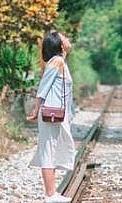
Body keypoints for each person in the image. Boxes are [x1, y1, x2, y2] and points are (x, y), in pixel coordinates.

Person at [27, 30, 75, 203]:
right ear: (60, 45)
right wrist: (36, 109)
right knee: (48, 152)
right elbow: (44, 87)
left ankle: (52, 193)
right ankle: (49, 195)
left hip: (56, 114)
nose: (68, 39)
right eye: (65, 38)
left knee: (52, 151)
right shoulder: (57, 62)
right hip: (50, 114)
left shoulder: (60, 61)